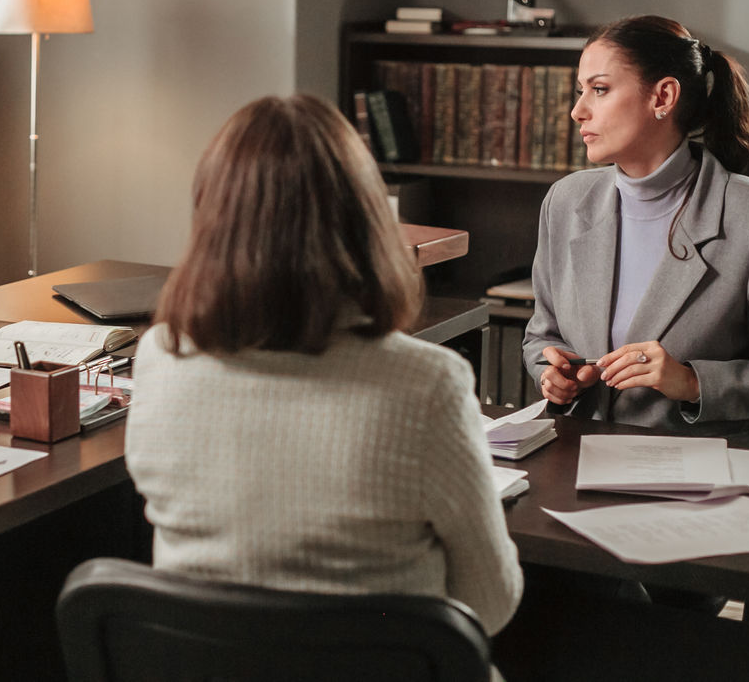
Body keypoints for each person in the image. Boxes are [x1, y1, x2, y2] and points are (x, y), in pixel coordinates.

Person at [125, 94, 523, 639]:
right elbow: (490, 605)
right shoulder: (427, 384)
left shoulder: (161, 357)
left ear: (212, 220)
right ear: (367, 222)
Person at [523, 15, 749, 446]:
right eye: (581, 91)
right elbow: (542, 334)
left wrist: (691, 382)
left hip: (709, 469)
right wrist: (552, 374)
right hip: (581, 456)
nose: (578, 111)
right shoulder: (565, 201)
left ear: (663, 96)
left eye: (600, 89)